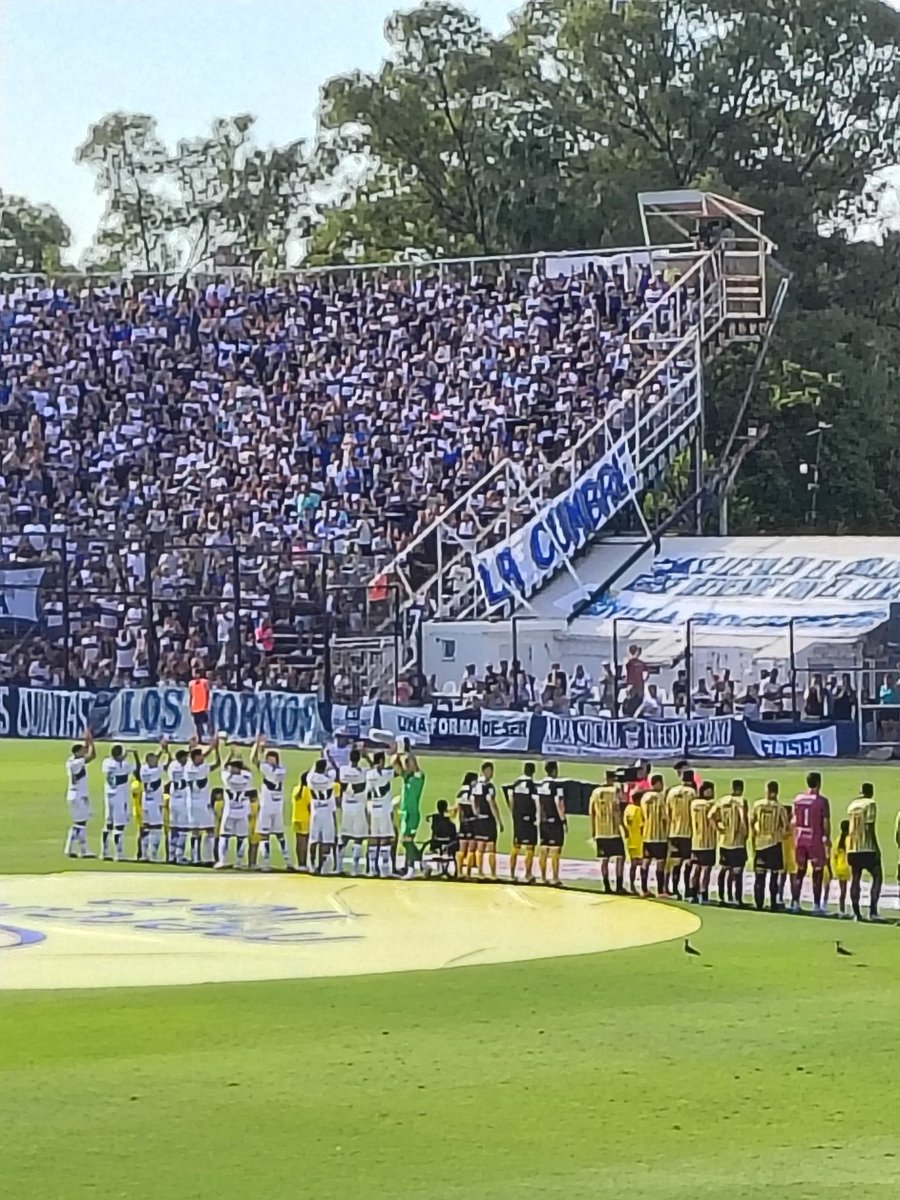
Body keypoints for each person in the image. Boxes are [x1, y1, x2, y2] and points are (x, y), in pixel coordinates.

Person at [251, 737, 293, 871]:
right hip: (266, 807)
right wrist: (258, 746)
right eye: (269, 758)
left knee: (280, 835)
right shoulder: (269, 768)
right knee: (264, 835)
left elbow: (257, 762)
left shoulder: (280, 770)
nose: (270, 760)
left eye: (272, 758)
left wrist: (260, 747)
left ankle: (288, 862)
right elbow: (254, 759)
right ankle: (266, 863)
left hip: (277, 807)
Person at [792, 771, 831, 915]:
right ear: (819, 783)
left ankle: (795, 903)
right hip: (815, 839)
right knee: (817, 872)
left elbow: (794, 820)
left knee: (800, 871)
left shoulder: (798, 799)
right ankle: (816, 905)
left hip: (800, 838)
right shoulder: (822, 801)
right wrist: (827, 837)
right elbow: (825, 822)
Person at [846, 783, 883, 922]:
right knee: (877, 876)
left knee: (855, 878)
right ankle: (873, 910)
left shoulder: (852, 805)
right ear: (871, 792)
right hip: (866, 847)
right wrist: (876, 847)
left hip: (852, 847)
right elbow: (869, 827)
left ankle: (856, 912)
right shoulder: (870, 804)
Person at [711, 779, 748, 907]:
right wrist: (745, 833)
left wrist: (718, 828)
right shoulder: (742, 802)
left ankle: (722, 897)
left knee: (724, 869)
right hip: (738, 843)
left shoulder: (722, 801)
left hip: (724, 841)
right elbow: (743, 819)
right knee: (737, 872)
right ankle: (737, 899)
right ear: (741, 789)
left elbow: (710, 816)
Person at [751, 781, 787, 912]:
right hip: (774, 844)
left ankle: (758, 903)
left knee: (760, 876)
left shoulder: (757, 805)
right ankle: (773, 903)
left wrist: (755, 835)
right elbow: (785, 826)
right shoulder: (780, 808)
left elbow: (751, 822)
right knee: (774, 875)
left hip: (760, 843)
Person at [589, 770, 625, 895]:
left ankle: (606, 886)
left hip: (600, 831)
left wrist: (593, 831)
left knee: (604, 860)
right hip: (613, 831)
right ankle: (619, 885)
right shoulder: (615, 791)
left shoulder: (595, 792)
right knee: (620, 857)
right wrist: (621, 826)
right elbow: (616, 810)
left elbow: (592, 813)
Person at [187, 736, 221, 865]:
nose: (202, 758)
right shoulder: (199, 769)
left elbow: (212, 762)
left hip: (194, 804)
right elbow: (216, 764)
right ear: (195, 758)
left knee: (200, 831)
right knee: (206, 830)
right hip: (200, 804)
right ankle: (204, 858)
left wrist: (213, 749)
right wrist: (214, 748)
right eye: (199, 757)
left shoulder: (189, 767)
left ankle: (199, 858)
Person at [216, 755, 254, 869]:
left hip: (230, 812)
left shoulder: (228, 778)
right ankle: (238, 862)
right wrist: (242, 760)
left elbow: (223, 767)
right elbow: (249, 770)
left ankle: (223, 861)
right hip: (242, 811)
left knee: (224, 836)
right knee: (241, 838)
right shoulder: (246, 778)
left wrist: (230, 755)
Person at [395, 746, 426, 879]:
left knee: (407, 841)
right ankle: (422, 864)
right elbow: (395, 764)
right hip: (405, 814)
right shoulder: (406, 777)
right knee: (406, 842)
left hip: (413, 814)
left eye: (409, 764)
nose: (407, 766)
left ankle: (412, 868)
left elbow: (414, 764)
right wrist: (397, 752)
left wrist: (408, 752)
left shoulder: (419, 776)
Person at [64, 732, 96, 858]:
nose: (85, 751)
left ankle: (71, 848)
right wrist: (91, 742)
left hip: (75, 794)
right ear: (77, 752)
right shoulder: (77, 763)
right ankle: (82, 850)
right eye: (82, 750)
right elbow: (92, 755)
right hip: (78, 795)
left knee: (79, 823)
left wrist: (86, 741)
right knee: (81, 823)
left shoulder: (71, 761)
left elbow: (87, 753)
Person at [338, 748, 370, 877]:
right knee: (358, 838)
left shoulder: (343, 770)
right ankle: (355, 869)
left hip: (346, 806)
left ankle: (339, 866)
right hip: (358, 808)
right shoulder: (363, 772)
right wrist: (367, 757)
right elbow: (374, 769)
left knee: (345, 837)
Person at [665, 769, 696, 900]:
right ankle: (687, 890)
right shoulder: (692, 793)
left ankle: (674, 889)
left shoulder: (671, 792)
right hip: (687, 833)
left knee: (675, 863)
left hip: (673, 832)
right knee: (687, 863)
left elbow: (667, 813)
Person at [507, 762, 539, 884]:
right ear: (533, 771)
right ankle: (528, 874)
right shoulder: (531, 785)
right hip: (529, 819)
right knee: (530, 847)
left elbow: (511, 799)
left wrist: (514, 813)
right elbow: (536, 802)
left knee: (516, 846)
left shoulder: (516, 783)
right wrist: (538, 817)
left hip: (518, 819)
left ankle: (511, 874)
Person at [366, 750, 395, 879]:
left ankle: (372, 868)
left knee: (373, 838)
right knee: (385, 838)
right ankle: (384, 869)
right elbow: (398, 770)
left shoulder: (369, 774)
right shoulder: (386, 774)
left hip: (372, 808)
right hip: (384, 809)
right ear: (382, 761)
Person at [471, 761, 503, 881]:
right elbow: (491, 803)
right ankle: (493, 874)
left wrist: (476, 813)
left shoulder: (476, 785)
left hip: (479, 819)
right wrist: (498, 820)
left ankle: (480, 872)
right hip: (488, 819)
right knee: (491, 847)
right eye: (491, 770)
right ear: (486, 771)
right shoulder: (489, 786)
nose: (492, 773)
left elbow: (472, 800)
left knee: (480, 846)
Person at [537, 761, 567, 886]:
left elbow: (538, 803)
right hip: (555, 821)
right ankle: (555, 877)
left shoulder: (541, 785)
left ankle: (542, 877)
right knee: (555, 849)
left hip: (544, 820)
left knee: (544, 848)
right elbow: (559, 802)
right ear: (554, 770)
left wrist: (539, 818)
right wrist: (563, 819)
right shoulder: (557, 786)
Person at [101, 744, 133, 861]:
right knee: (119, 825)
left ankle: (105, 851)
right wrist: (132, 754)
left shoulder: (106, 762)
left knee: (108, 824)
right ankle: (119, 853)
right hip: (120, 796)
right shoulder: (123, 765)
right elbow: (134, 770)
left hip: (109, 794)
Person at [308, 757, 339, 875]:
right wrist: (329, 759)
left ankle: (311, 863)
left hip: (316, 811)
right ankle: (322, 866)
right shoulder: (329, 779)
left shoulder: (311, 778)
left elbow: (311, 771)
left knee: (313, 840)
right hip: (327, 813)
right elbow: (334, 770)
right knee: (326, 841)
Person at [640, 774, 669, 897]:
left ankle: (644, 889)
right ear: (657, 783)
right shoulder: (660, 797)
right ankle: (660, 891)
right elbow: (664, 817)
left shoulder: (644, 797)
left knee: (646, 862)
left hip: (647, 835)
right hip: (659, 835)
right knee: (660, 863)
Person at [689, 781, 718, 905]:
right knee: (705, 869)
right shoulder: (710, 805)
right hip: (708, 842)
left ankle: (692, 893)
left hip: (696, 841)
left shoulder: (693, 804)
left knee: (695, 868)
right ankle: (703, 894)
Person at [163, 741, 192, 865]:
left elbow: (169, 764)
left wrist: (166, 751)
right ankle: (179, 856)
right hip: (183, 802)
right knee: (183, 830)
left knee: (174, 829)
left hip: (173, 801)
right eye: (185, 756)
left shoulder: (172, 766)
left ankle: (171, 855)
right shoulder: (187, 767)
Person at [137, 747, 166, 863]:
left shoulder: (143, 769)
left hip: (145, 802)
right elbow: (163, 763)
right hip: (155, 803)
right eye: (154, 759)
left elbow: (153, 761)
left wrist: (160, 751)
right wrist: (163, 750)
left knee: (146, 828)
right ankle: (153, 854)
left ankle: (144, 854)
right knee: (157, 829)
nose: (156, 761)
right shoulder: (157, 770)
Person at [454, 770, 479, 879]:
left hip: (463, 823)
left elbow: (458, 809)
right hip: (472, 822)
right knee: (471, 850)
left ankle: (459, 872)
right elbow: (475, 809)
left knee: (461, 849)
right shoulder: (472, 792)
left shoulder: (461, 792)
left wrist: (458, 823)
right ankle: (468, 873)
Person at [622, 790, 645, 894]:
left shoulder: (628, 808)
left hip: (630, 840)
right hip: (638, 840)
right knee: (641, 864)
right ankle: (640, 886)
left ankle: (631, 885)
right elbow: (641, 826)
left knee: (633, 864)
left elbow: (624, 823)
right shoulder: (638, 810)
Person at [829, 820, 852, 919]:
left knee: (842, 891)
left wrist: (834, 869)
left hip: (839, 867)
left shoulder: (838, 840)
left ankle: (841, 909)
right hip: (848, 867)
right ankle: (849, 910)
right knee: (849, 890)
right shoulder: (849, 840)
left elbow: (834, 856)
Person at [291, 770, 312, 872]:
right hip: (305, 819)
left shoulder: (295, 789)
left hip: (296, 818)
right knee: (304, 842)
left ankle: (300, 863)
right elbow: (309, 806)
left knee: (298, 842)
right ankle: (303, 863)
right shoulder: (308, 791)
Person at [188, 670, 211, 742]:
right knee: (198, 724)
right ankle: (200, 739)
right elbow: (191, 695)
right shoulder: (191, 683)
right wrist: (190, 706)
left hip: (203, 706)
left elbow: (207, 693)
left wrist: (207, 705)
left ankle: (209, 737)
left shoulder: (204, 682)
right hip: (195, 706)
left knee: (206, 722)